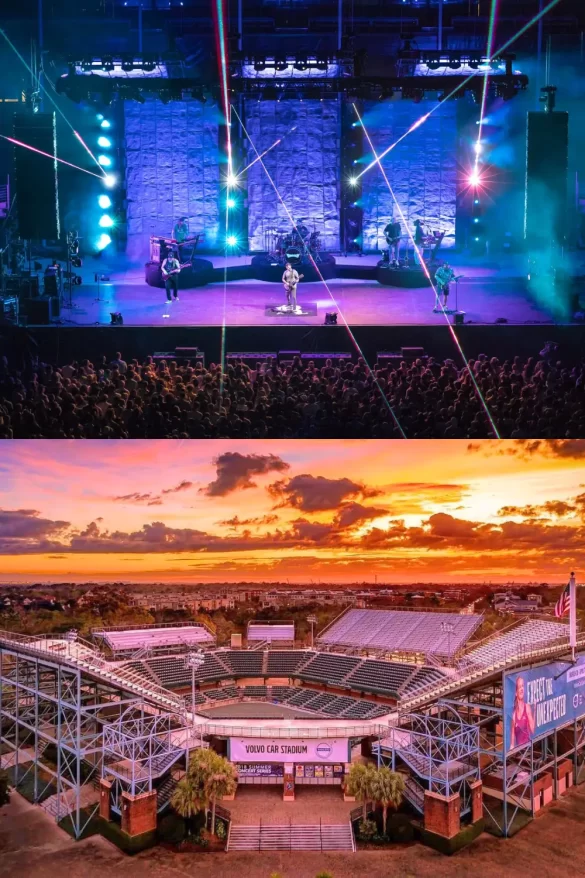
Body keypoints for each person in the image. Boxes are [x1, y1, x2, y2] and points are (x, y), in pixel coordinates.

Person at [509, 675, 535, 750]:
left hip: (528, 749)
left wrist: (535, 710)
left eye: (523, 686)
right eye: (519, 687)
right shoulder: (513, 715)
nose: (522, 689)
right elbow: (512, 743)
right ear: (516, 693)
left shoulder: (527, 707)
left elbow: (533, 730)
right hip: (519, 751)